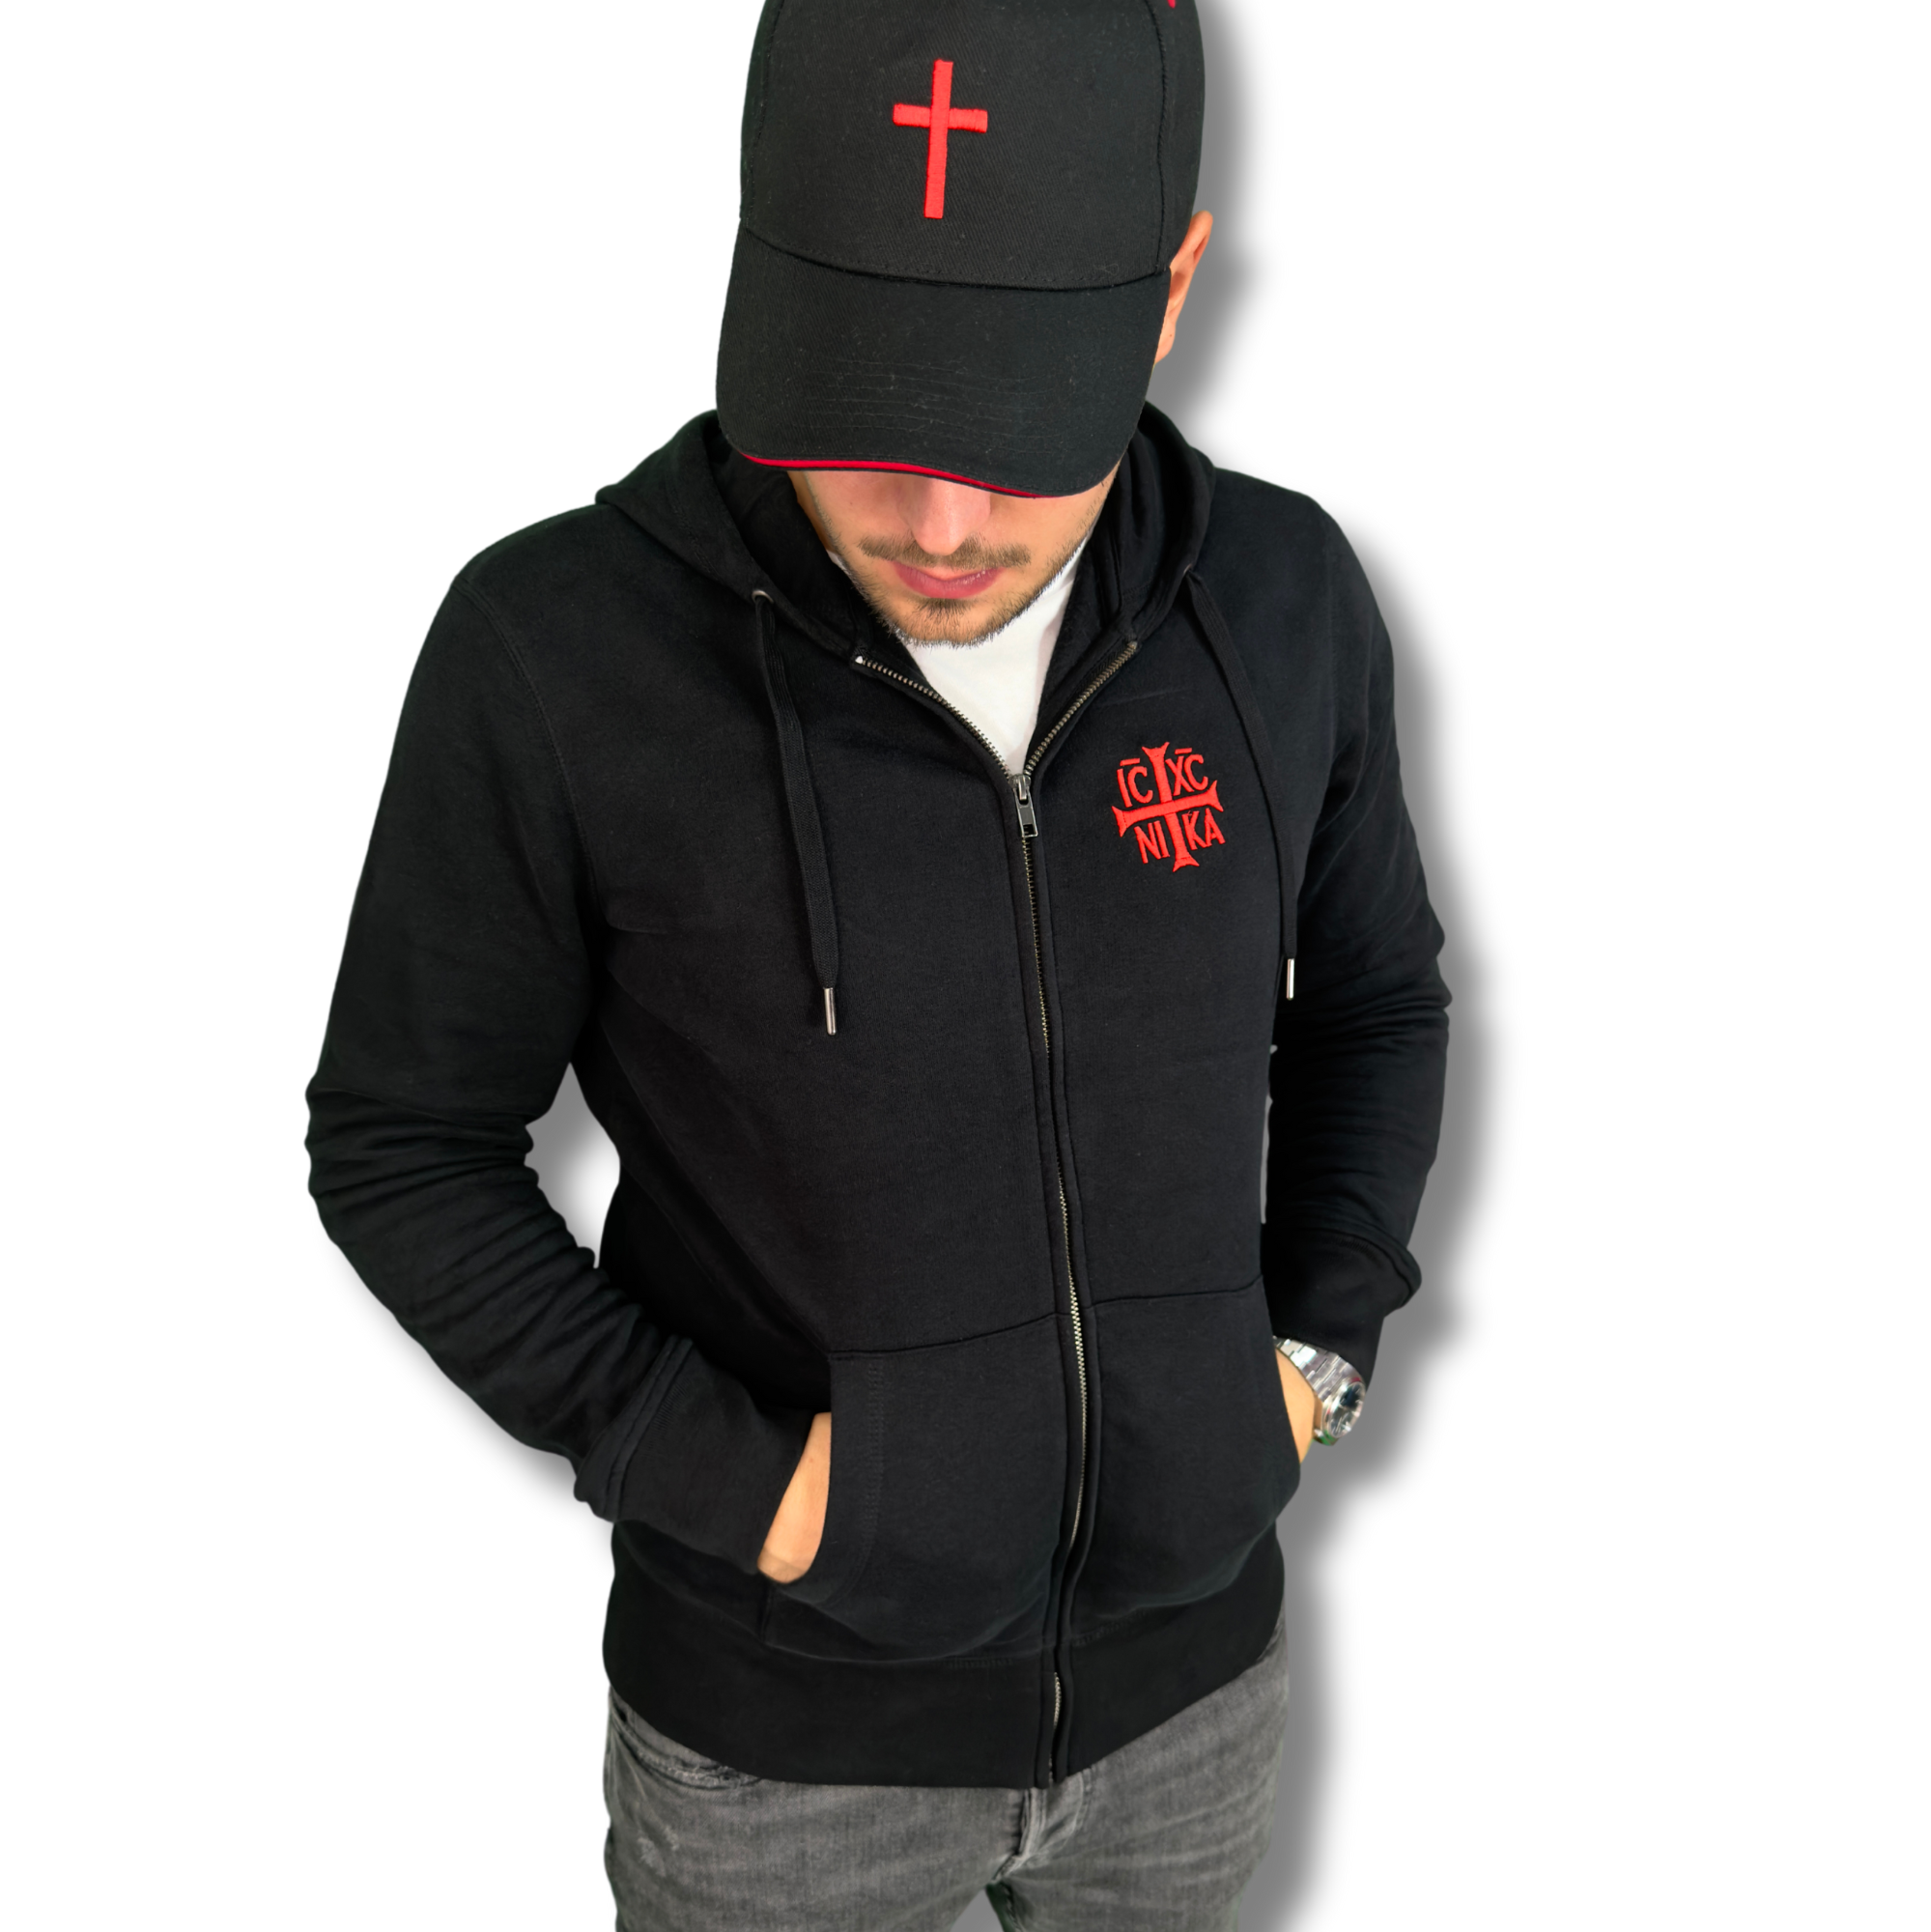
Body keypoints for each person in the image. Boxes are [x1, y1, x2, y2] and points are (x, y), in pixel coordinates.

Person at [305, 2, 1449, 1925]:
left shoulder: (1280, 598)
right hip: (779, 1763)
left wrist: (1310, 1358)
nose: (939, 525)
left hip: (1195, 1710)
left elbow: (1374, 1003)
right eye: (874, 410)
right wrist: (749, 1490)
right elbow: (404, 1144)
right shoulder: (556, 652)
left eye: (1013, 434)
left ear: (1171, 289)